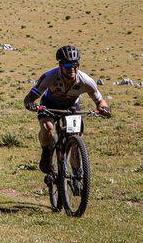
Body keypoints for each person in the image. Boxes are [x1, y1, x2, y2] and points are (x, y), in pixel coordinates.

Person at [23, 45, 111, 174]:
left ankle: (77, 171)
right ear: (60, 66)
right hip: (49, 104)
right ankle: (46, 151)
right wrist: (31, 104)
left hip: (71, 106)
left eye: (75, 65)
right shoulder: (49, 77)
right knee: (47, 127)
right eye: (68, 66)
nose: (72, 69)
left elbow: (99, 100)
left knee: (76, 138)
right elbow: (30, 97)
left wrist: (104, 108)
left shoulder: (85, 80)